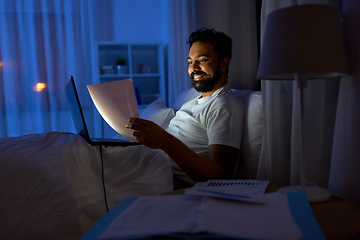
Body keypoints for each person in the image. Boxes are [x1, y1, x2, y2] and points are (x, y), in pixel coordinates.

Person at [126, 27, 244, 188]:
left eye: (202, 60)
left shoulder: (223, 105)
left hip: (164, 178)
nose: (193, 68)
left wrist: (164, 140)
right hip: (147, 165)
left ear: (223, 64)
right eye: (190, 62)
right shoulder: (191, 101)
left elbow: (220, 177)